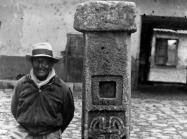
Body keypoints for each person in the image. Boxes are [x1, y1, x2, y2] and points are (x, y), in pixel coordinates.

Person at [10, 42, 75, 139]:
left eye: (45, 62)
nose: (41, 66)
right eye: (37, 61)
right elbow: (14, 109)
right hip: (24, 132)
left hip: (50, 133)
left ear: (51, 64)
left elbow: (68, 114)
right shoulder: (21, 84)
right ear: (32, 62)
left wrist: (54, 132)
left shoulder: (63, 88)